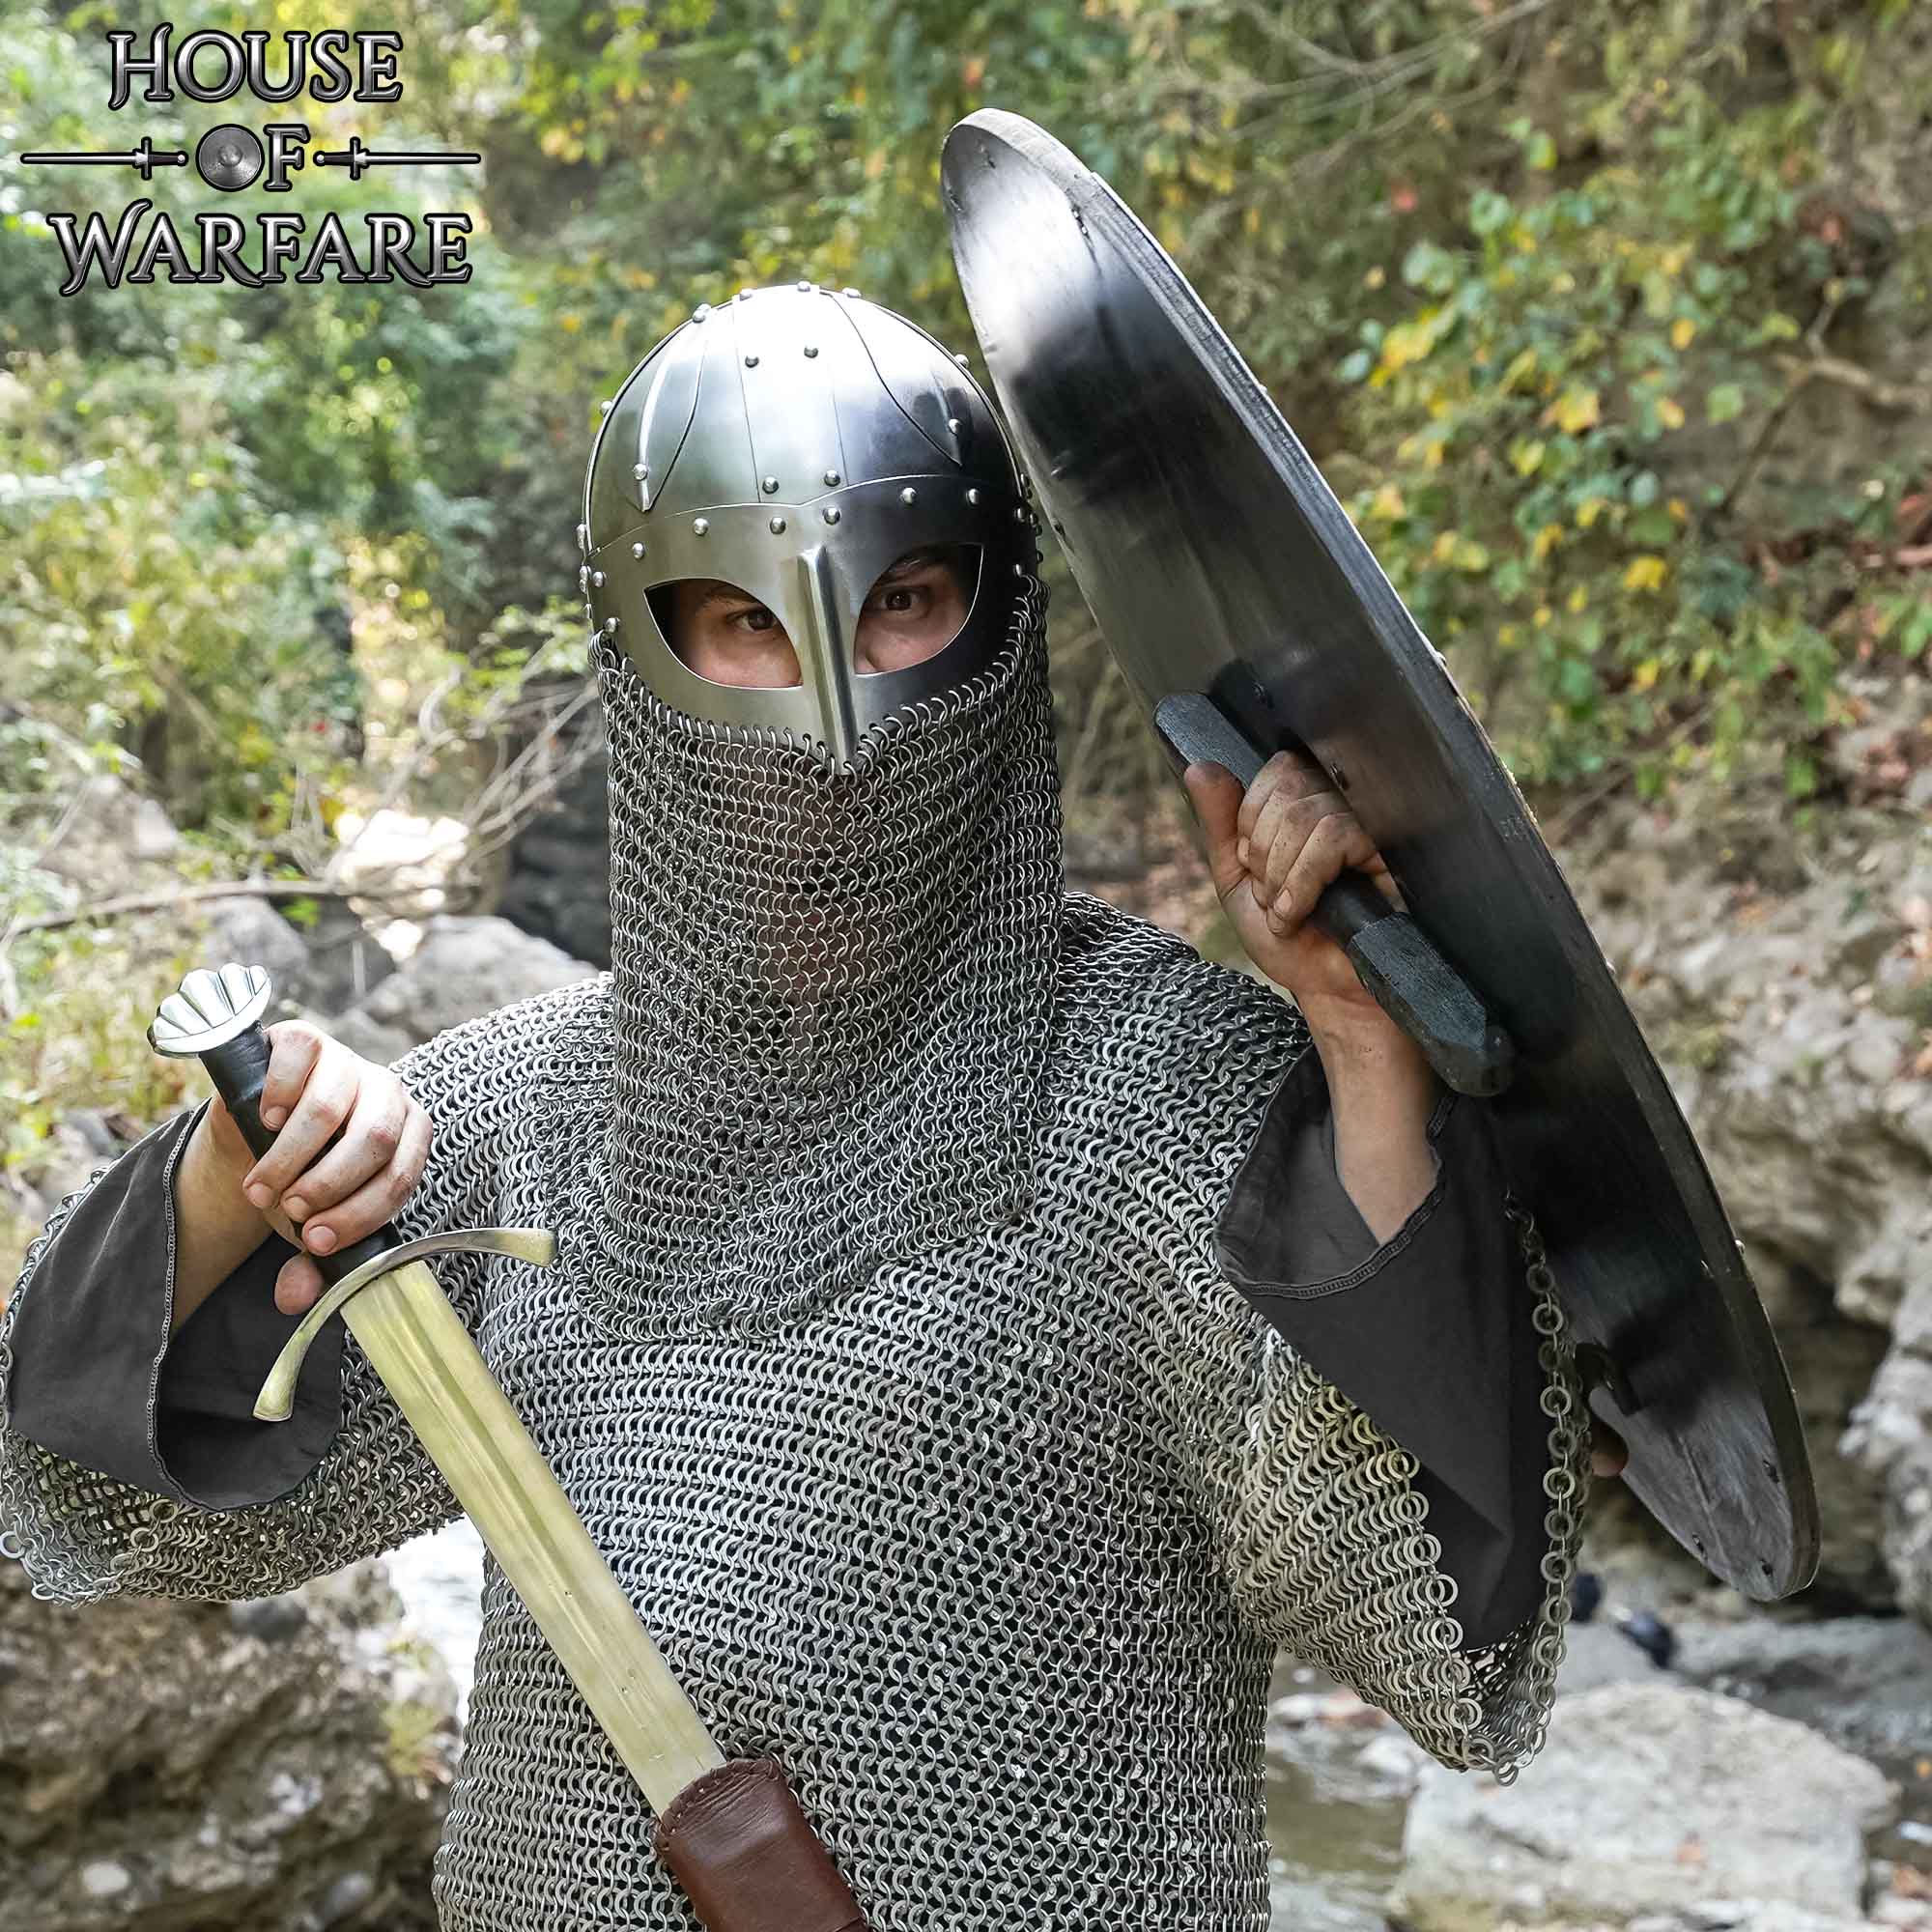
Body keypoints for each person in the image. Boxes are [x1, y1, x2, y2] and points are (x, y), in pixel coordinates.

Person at [0, 283, 1614, 1930]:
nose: (835, 724)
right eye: (748, 620)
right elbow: (100, 1494)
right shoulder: (531, 1119)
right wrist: (228, 1182)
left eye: (900, 599)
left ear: (995, 609)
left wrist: (1362, 1052)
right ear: (649, 649)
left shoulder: (1166, 1093)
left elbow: (1428, 1630)